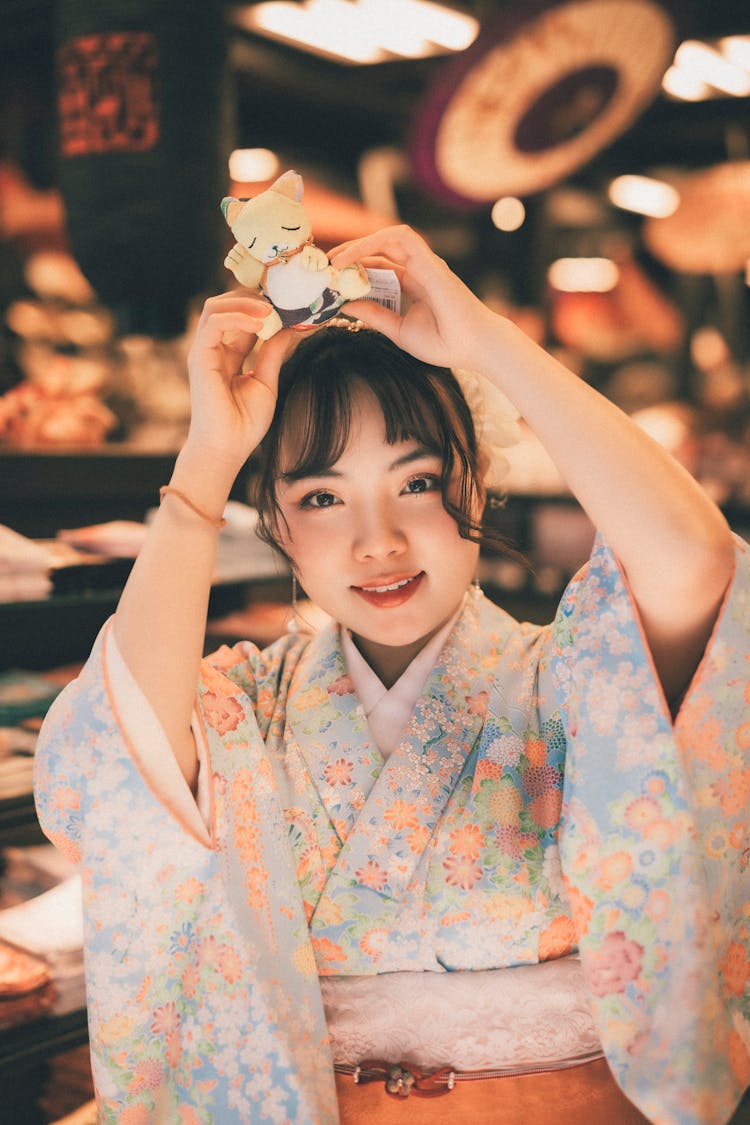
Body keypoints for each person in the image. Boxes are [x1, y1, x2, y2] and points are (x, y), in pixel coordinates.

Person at [33, 225, 750, 1125]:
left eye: (417, 482)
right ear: (279, 528)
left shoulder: (569, 679)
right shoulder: (245, 706)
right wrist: (209, 458)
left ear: (477, 486)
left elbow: (693, 559)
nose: (379, 540)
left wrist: (487, 341)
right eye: (323, 498)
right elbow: (114, 753)